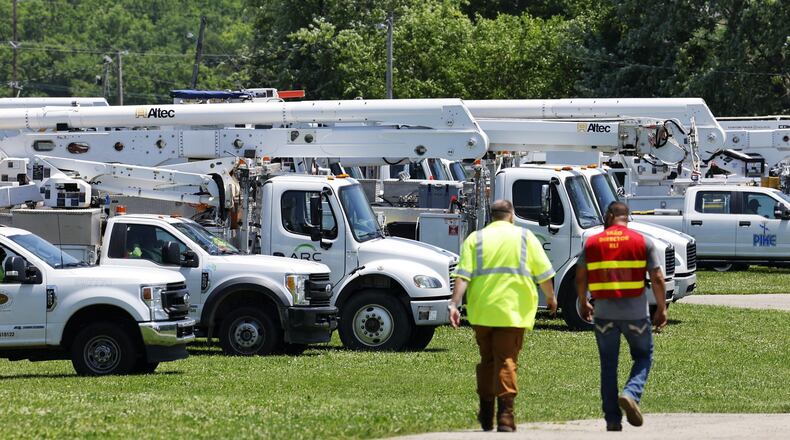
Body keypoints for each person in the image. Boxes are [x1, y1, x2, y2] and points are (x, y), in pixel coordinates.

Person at [449, 199, 557, 433]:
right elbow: (544, 274)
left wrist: (454, 304)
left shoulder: (475, 239)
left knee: (487, 361)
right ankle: (506, 416)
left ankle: (486, 413)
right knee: (506, 361)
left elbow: (463, 275)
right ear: (512, 215)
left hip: (482, 312)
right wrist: (551, 298)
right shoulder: (526, 238)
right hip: (513, 312)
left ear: (491, 216)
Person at [575, 201, 668, 432]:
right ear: (627, 218)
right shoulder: (642, 241)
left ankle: (613, 420)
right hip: (635, 312)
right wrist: (662, 308)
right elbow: (657, 277)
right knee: (644, 356)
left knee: (608, 365)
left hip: (604, 313)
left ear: (609, 216)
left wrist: (583, 300)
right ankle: (630, 393)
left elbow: (580, 274)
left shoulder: (592, 242)